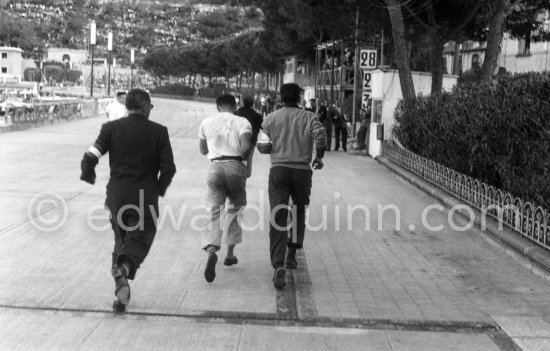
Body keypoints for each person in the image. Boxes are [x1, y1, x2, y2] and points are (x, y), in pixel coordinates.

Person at [80, 89, 176, 313]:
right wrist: (158, 189)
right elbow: (168, 168)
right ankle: (123, 268)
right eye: (150, 107)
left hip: (116, 196)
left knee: (121, 241)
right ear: (145, 106)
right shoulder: (159, 132)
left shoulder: (110, 128)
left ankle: (120, 297)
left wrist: (88, 173)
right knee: (142, 236)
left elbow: (91, 155)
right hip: (144, 197)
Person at [258, 83, 327, 289]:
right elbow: (321, 136)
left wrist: (271, 148)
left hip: (278, 170)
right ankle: (292, 254)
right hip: (302, 172)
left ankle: (278, 264)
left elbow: (262, 146)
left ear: (280, 98)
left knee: (278, 214)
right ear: (299, 98)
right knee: (298, 212)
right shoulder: (310, 117)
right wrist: (319, 156)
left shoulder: (270, 118)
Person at [199, 94, 253, 283]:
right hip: (236, 167)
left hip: (215, 168)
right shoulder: (242, 121)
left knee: (214, 211)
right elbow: (246, 148)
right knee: (234, 209)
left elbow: (203, 150)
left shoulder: (206, 122)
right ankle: (230, 254)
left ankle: (212, 249)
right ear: (235, 105)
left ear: (218, 107)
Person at [235, 96, 264, 176]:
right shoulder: (256, 115)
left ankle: (237, 173)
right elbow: (263, 126)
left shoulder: (237, 112)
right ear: (253, 104)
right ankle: (247, 174)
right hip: (252, 138)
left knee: (237, 155)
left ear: (243, 103)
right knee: (249, 157)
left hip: (238, 137)